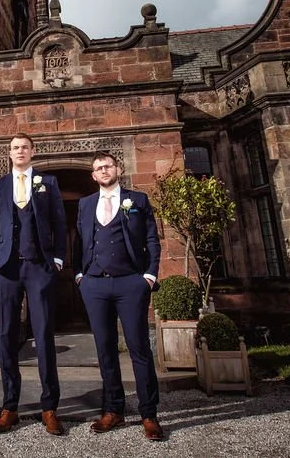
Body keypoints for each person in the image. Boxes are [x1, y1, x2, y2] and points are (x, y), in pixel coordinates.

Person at [73, 152, 165, 441]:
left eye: (108, 166)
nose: (103, 170)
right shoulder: (85, 204)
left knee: (139, 348)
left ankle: (149, 413)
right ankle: (113, 409)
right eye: (98, 168)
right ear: (93, 175)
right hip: (95, 284)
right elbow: (79, 240)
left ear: (118, 169)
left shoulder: (136, 200)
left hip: (130, 283)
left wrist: (148, 276)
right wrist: (80, 275)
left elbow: (152, 238)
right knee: (105, 349)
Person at [0, 133, 67, 435]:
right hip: (6, 268)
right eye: (15, 148)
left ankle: (50, 407)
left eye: (24, 147)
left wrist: (58, 258)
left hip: (39, 267)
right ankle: (10, 407)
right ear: (9, 153)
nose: (20, 151)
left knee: (44, 334)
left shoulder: (49, 183)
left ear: (33, 151)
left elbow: (59, 222)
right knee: (6, 335)